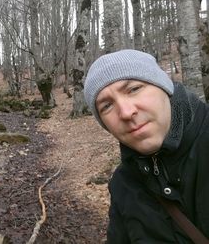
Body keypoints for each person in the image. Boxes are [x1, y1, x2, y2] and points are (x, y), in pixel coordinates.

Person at [83, 49, 209, 243]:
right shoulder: (123, 185)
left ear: (165, 87)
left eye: (134, 89)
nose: (125, 112)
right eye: (106, 106)